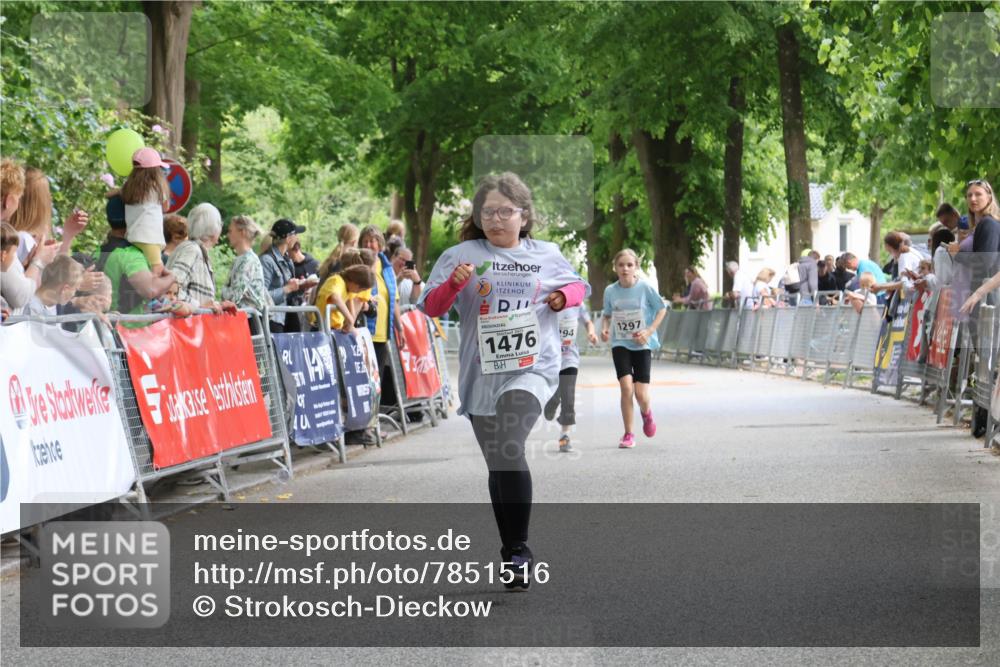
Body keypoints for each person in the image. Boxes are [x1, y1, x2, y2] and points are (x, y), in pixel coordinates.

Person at [417, 172, 589, 589]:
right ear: (478, 216)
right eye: (488, 212)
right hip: (482, 373)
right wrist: (454, 285)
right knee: (499, 461)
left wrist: (561, 297)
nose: (496, 219)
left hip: (532, 368)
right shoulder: (461, 255)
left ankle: (520, 549)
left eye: (505, 211)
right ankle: (511, 548)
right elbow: (431, 308)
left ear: (523, 216)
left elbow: (578, 286)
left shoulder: (545, 254)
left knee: (509, 445)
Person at [601, 248, 667, 449]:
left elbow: (662, 309)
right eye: (621, 265)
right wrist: (605, 329)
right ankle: (629, 433)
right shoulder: (610, 291)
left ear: (636, 267)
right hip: (620, 343)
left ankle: (647, 414)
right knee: (626, 388)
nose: (625, 268)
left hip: (642, 345)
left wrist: (649, 331)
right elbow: (607, 314)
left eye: (629, 265)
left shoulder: (645, 288)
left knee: (641, 394)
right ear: (615, 267)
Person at [359, 225, 405, 404]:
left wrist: (399, 328)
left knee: (376, 380)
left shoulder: (387, 268)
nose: (369, 245)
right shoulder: (359, 265)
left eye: (373, 241)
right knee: (363, 380)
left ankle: (374, 416)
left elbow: (394, 301)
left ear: (380, 244)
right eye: (366, 241)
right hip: (363, 332)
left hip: (382, 335)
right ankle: (364, 418)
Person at [543, 304, 598, 452]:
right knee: (557, 390)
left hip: (569, 357)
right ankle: (553, 399)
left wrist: (591, 333)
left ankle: (564, 437)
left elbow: (588, 322)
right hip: (549, 358)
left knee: (569, 397)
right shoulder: (546, 302)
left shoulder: (577, 303)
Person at [166, 202, 227, 311]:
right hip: (183, 321)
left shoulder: (197, 251)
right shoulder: (192, 251)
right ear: (213, 229)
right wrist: (198, 306)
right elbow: (170, 287)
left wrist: (217, 305)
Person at [121, 147, 170, 277]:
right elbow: (166, 207)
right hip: (150, 238)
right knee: (157, 272)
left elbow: (113, 193)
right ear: (155, 171)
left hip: (134, 237)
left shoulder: (129, 188)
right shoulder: (156, 188)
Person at [222, 215, 274, 313]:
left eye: (230, 231)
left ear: (242, 232)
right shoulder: (239, 259)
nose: (228, 235)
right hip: (243, 316)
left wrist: (224, 291)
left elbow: (234, 296)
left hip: (250, 318)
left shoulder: (248, 260)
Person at [315, 264, 375, 332]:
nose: (358, 292)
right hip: (322, 327)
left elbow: (350, 304)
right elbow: (335, 297)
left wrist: (351, 324)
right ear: (354, 282)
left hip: (334, 328)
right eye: (360, 289)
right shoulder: (336, 280)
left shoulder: (349, 289)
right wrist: (350, 319)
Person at [390, 244, 423, 308]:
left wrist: (416, 283)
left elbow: (416, 303)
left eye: (407, 262)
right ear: (393, 257)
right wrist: (399, 279)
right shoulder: (385, 273)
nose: (404, 263)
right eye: (402, 259)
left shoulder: (411, 280)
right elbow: (387, 291)